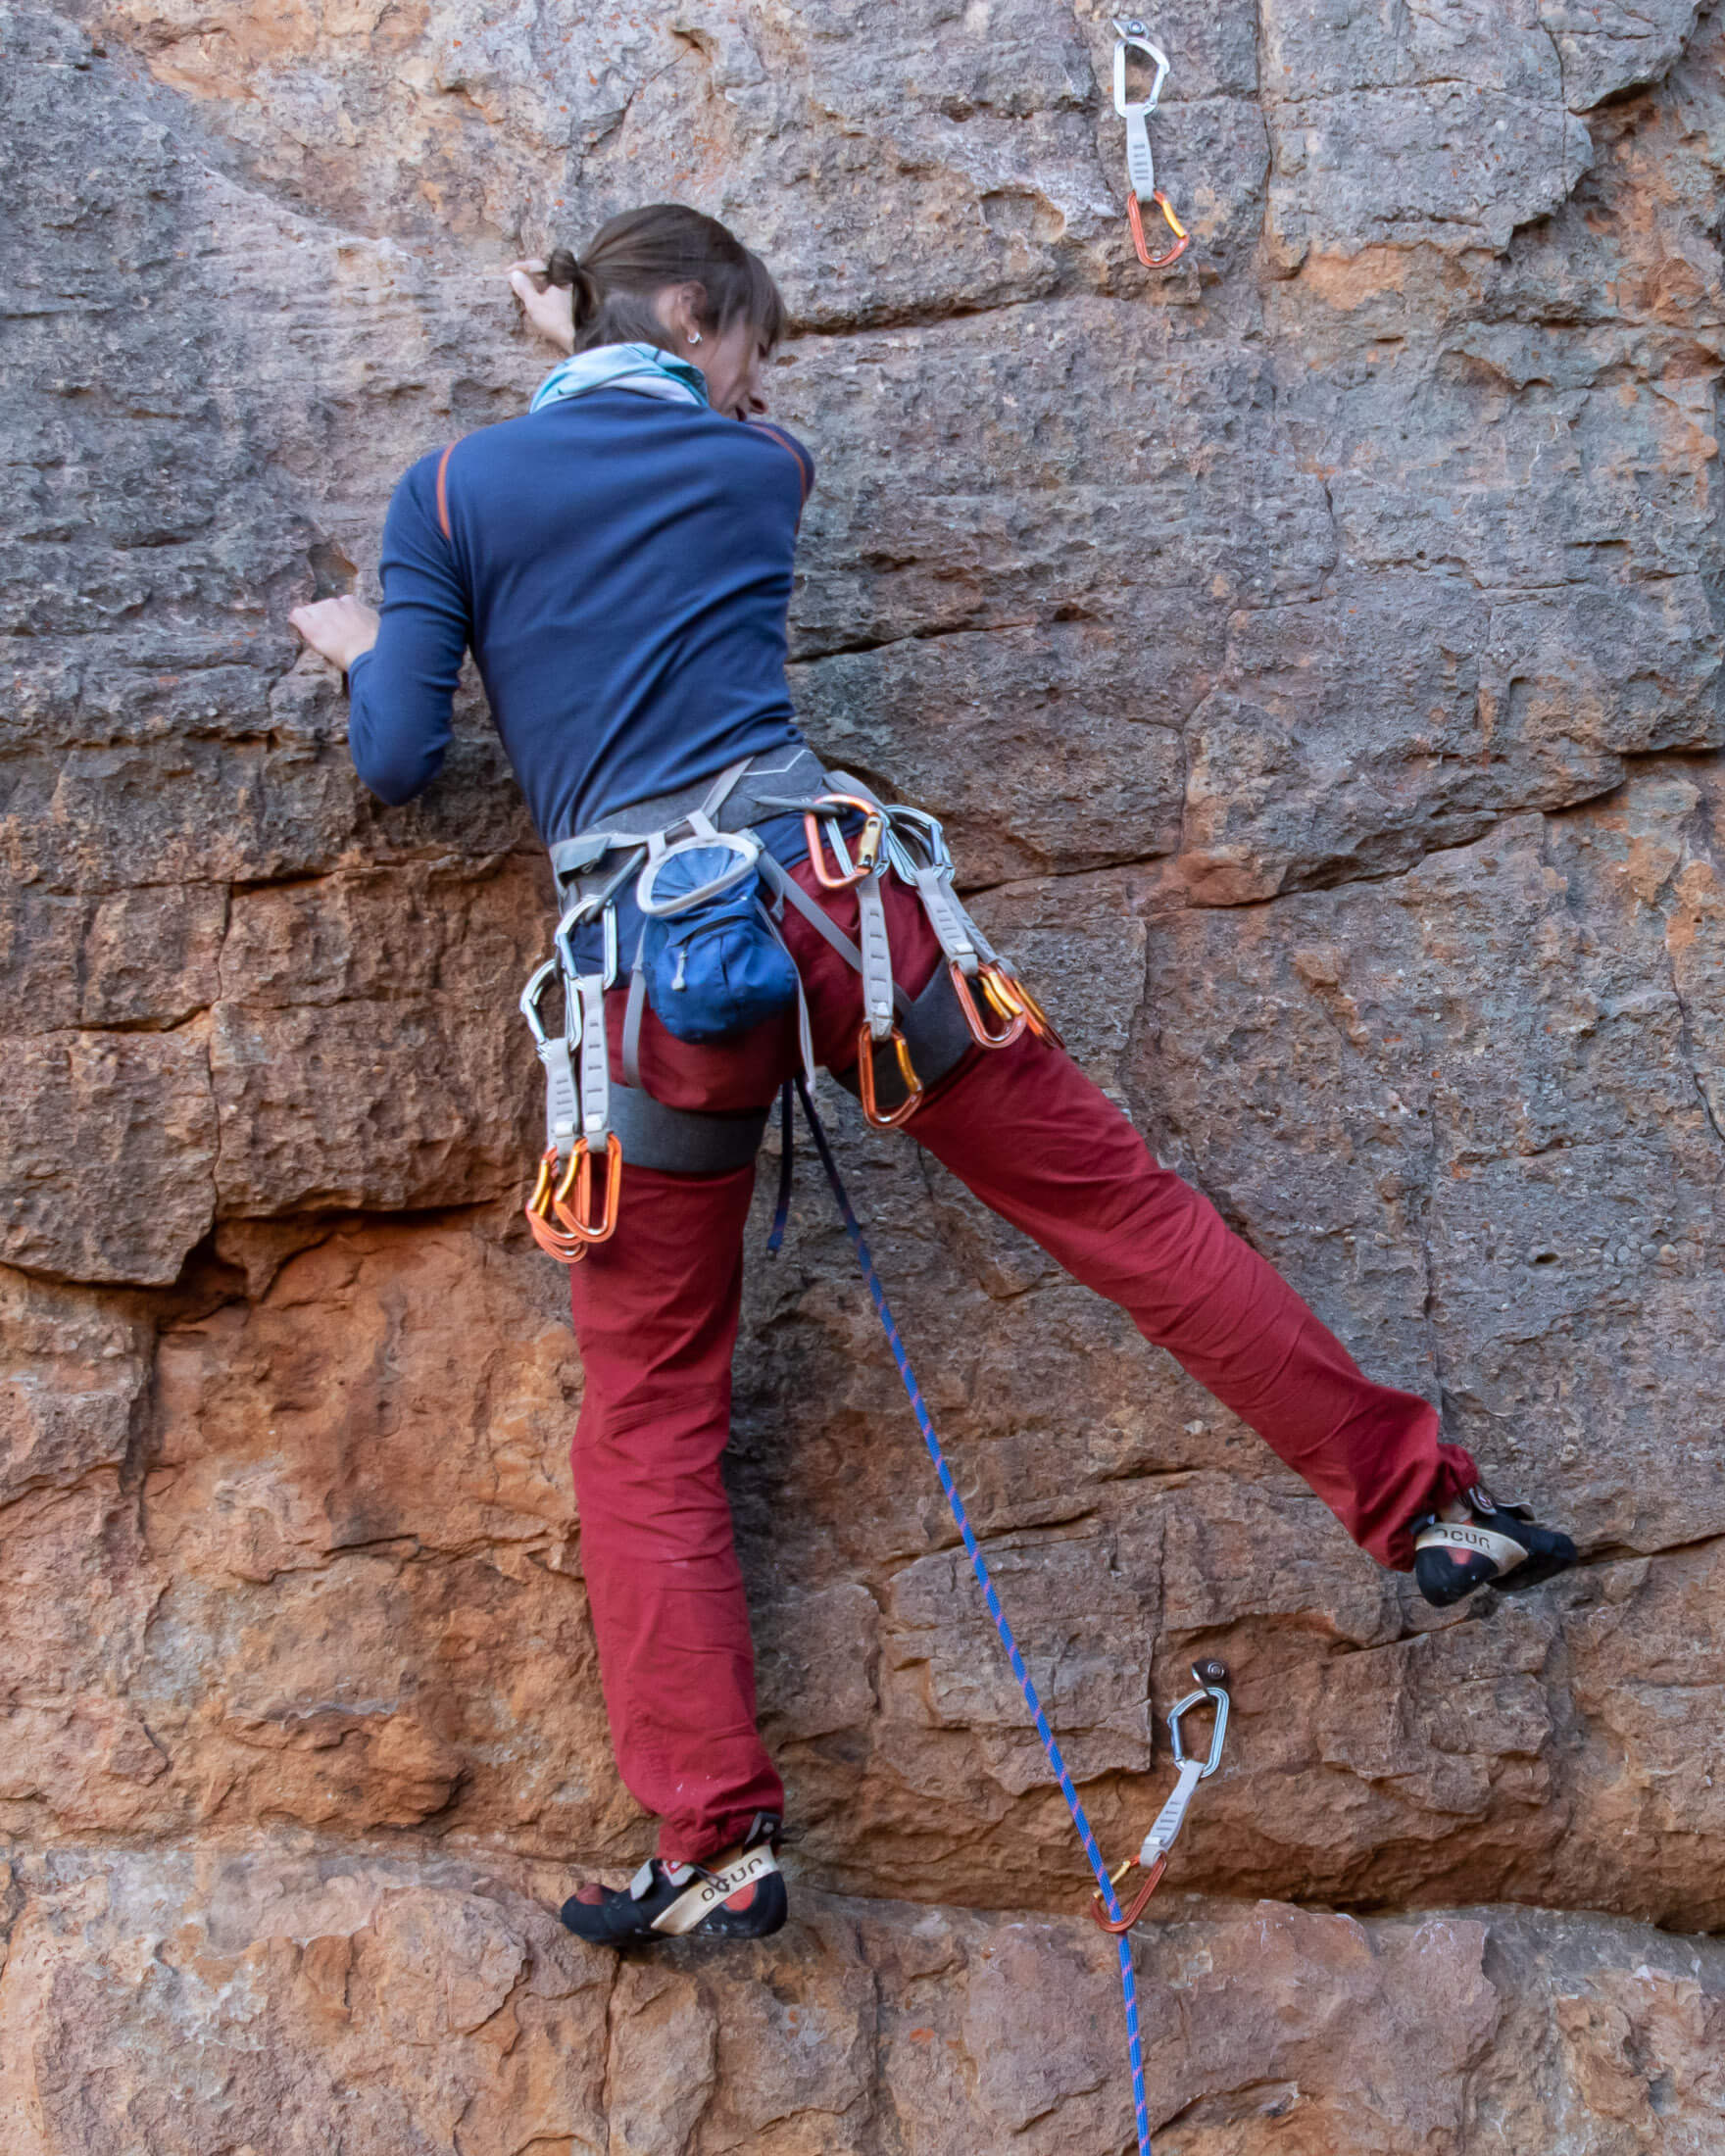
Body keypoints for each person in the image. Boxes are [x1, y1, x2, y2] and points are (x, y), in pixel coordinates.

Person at [289, 203, 1577, 1948]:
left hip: (647, 980)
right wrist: (590, 342)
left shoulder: (449, 493)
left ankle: (717, 1842)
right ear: (694, 322)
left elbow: (399, 759)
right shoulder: (763, 475)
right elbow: (674, 430)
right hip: (847, 914)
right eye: (752, 344)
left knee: (651, 1412)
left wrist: (371, 642)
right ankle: (1435, 1511)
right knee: (1120, 1210)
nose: (765, 380)